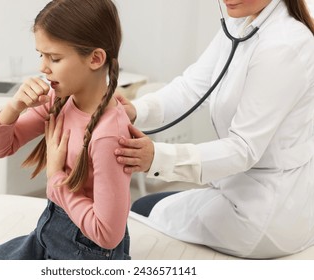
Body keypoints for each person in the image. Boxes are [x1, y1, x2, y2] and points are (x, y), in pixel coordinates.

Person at [114, 0, 314, 259]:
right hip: (239, 188)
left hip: (266, 211)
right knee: (143, 208)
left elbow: (243, 148)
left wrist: (157, 158)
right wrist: (136, 110)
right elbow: (192, 88)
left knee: (141, 209)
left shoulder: (285, 45)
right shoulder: (241, 23)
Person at [0, 0, 131, 260]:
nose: (43, 68)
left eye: (54, 58)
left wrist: (56, 178)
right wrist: (15, 106)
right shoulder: (60, 99)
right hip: (47, 236)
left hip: (86, 256)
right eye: (40, 55)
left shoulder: (108, 135)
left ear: (95, 58)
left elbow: (108, 234)